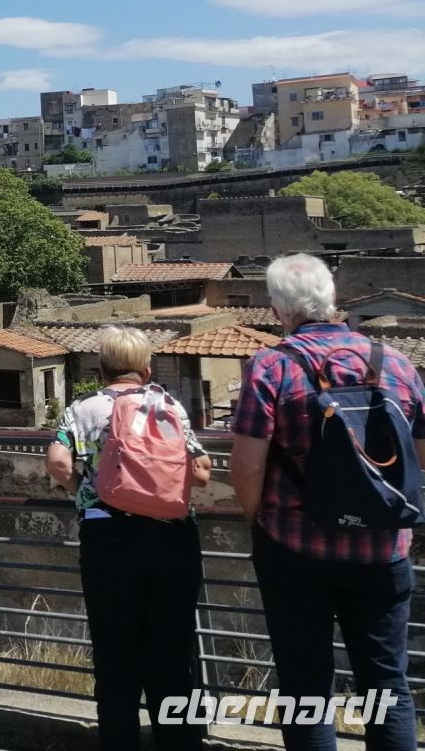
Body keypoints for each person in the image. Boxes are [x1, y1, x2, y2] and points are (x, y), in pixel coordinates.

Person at [230, 253, 424, 751]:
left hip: (294, 549)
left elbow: (246, 465)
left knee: (306, 686)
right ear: (334, 299)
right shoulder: (396, 363)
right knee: (387, 685)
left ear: (277, 310)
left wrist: (257, 520)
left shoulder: (271, 366)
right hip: (383, 549)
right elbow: (420, 457)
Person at [46, 326, 212, 751]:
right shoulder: (168, 406)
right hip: (172, 540)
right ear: (146, 370)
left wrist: (86, 491)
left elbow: (58, 462)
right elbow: (201, 472)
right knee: (172, 659)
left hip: (108, 540)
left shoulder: (82, 409)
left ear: (101, 370)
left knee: (115, 660)